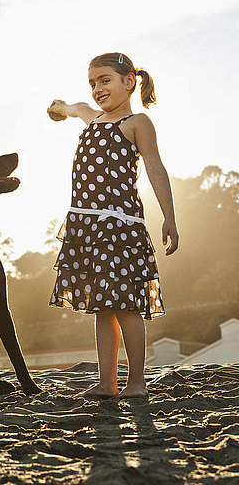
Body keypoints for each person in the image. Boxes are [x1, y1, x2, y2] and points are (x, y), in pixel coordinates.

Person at [47, 51, 179, 399]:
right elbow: (74, 107)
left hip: (120, 226)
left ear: (129, 81)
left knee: (124, 304)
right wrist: (59, 107)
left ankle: (137, 382)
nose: (97, 89)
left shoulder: (137, 123)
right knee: (101, 305)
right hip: (86, 226)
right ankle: (107, 383)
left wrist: (170, 217)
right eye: (92, 83)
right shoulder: (92, 118)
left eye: (104, 80)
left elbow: (155, 168)